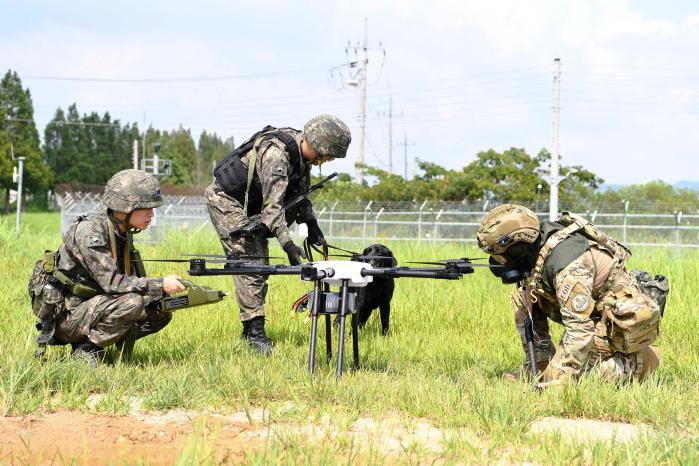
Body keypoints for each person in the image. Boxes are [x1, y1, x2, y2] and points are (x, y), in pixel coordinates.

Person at [476, 204, 668, 387]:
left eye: (499, 255)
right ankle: (540, 366)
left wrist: (561, 376)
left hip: (611, 319)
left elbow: (580, 328)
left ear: (518, 247)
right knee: (522, 293)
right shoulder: (538, 248)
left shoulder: (568, 265)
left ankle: (644, 361)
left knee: (585, 378)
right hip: (590, 310)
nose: (497, 262)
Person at [205, 114, 351, 355]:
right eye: (327, 155)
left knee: (260, 268)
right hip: (227, 201)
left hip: (251, 207)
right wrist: (289, 246)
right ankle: (254, 334)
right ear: (318, 144)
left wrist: (313, 226)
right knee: (250, 262)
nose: (326, 160)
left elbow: (299, 194)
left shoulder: (300, 157)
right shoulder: (277, 156)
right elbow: (272, 210)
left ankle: (249, 330)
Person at [28, 169, 186, 367]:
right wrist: (160, 283)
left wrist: (159, 291)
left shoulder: (121, 233)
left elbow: (130, 282)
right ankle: (87, 350)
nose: (151, 214)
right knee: (133, 302)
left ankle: (96, 344)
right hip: (67, 317)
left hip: (93, 308)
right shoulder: (90, 233)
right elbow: (112, 282)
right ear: (126, 207)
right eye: (146, 208)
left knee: (160, 308)